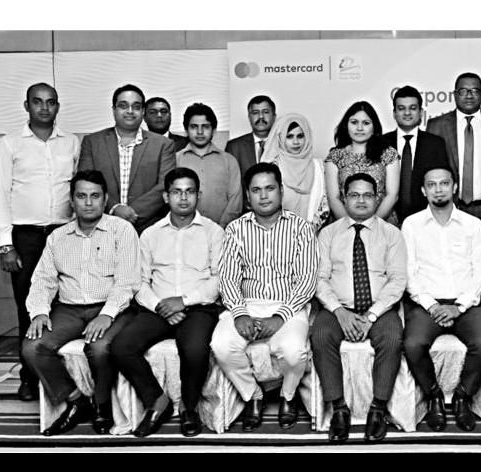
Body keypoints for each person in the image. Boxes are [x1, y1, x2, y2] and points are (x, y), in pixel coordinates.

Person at [23, 171, 140, 436]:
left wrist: (107, 314)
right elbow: (43, 280)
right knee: (32, 347)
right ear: (72, 201)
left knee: (99, 348)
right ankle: (77, 401)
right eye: (81, 196)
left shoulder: (122, 230)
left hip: (113, 306)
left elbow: (128, 281)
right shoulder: (58, 237)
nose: (88, 203)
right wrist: (39, 312)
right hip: (69, 308)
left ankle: (102, 407)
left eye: (95, 196)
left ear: (105, 199)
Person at [110, 168, 225, 437]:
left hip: (198, 307)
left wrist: (182, 301)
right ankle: (157, 401)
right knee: (121, 347)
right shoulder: (150, 234)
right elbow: (139, 282)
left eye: (189, 192)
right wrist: (162, 306)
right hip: (157, 306)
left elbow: (219, 280)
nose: (183, 198)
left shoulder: (214, 232)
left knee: (194, 348)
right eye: (177, 192)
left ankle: (188, 407)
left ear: (198, 195)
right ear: (166, 196)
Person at [210, 162, 318, 432]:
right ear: (248, 195)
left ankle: (288, 396)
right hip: (246, 304)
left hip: (289, 306)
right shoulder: (235, 229)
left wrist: (280, 317)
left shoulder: (302, 229)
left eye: (270, 188)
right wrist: (239, 313)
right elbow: (228, 278)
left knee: (294, 352)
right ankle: (252, 395)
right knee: (221, 345)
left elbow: (307, 280)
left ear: (281, 191)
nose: (264, 195)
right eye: (256, 190)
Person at [0, 83, 81, 401]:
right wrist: (6, 244)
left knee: (64, 303)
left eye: (50, 102)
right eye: (38, 102)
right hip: (25, 237)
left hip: (63, 234)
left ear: (58, 106)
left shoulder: (71, 142)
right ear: (26, 105)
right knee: (28, 307)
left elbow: (77, 192)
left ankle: (60, 372)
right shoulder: (9, 144)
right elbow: (0, 195)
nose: (44, 108)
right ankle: (29, 377)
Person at [311, 173, 407, 443]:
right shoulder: (328, 234)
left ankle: (378, 408)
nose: (361, 200)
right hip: (338, 308)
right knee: (320, 335)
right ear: (344, 198)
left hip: (380, 309)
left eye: (367, 195)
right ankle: (339, 408)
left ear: (377, 199)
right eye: (354, 195)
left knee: (392, 338)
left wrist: (372, 315)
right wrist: (339, 312)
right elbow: (319, 279)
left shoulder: (392, 234)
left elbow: (398, 280)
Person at [401, 166, 481, 432]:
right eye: (432, 184)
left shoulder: (472, 224)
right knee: (413, 344)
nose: (438, 189)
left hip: (466, 303)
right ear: (423, 190)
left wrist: (459, 306)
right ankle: (434, 397)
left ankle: (463, 397)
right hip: (426, 304)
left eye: (444, 183)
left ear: (454, 187)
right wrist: (432, 305)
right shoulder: (411, 225)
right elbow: (408, 272)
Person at [79, 84, 176, 232]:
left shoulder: (163, 144)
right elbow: (86, 182)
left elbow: (165, 185)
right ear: (114, 110)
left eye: (136, 106)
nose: (130, 111)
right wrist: (114, 208)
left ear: (142, 111)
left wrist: (130, 214)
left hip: (148, 228)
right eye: (123, 106)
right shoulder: (92, 142)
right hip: (101, 226)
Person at [427, 72, 481, 221]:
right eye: (463, 91)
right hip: (452, 209)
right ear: (455, 95)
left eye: (475, 90)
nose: (469, 95)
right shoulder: (436, 126)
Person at [324, 101, 401, 223]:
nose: (359, 128)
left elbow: (392, 196)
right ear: (346, 125)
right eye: (354, 122)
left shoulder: (388, 154)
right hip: (343, 225)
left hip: (382, 223)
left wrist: (371, 225)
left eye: (366, 123)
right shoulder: (335, 156)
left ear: (374, 127)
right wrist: (351, 226)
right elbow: (334, 198)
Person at [382, 85, 451, 222]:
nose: (407, 113)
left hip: (425, 220)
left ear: (421, 112)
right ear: (394, 113)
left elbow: (441, 183)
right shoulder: (381, 143)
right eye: (401, 108)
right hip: (387, 218)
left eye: (413, 108)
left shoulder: (435, 143)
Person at [174, 102, 242, 227]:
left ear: (213, 130)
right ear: (186, 131)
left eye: (205, 126)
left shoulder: (229, 161)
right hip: (183, 230)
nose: (200, 132)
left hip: (223, 230)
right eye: (194, 127)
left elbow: (235, 200)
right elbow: (172, 198)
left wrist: (221, 229)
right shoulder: (175, 160)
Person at [260, 113, 329, 225]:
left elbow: (324, 203)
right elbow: (265, 203)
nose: (296, 142)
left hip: (311, 231)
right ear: (280, 138)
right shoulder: (272, 167)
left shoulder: (318, 166)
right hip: (277, 231)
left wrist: (309, 229)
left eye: (300, 136)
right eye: (289, 136)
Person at [225, 95, 277, 176]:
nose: (261, 116)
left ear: (274, 116)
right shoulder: (234, 147)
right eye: (255, 113)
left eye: (265, 112)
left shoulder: (282, 144)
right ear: (249, 117)